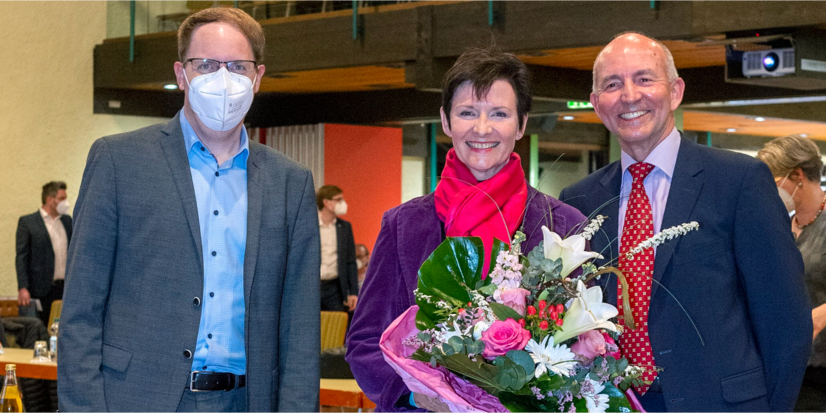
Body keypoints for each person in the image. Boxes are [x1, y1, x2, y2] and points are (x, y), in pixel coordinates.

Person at [58, 8, 320, 412]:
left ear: (258, 76)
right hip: (136, 397)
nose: (223, 79)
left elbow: (300, 328)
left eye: (237, 66)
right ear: (181, 74)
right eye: (207, 65)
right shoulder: (118, 161)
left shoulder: (291, 182)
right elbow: (81, 309)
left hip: (247, 401)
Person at [559, 32, 811, 412]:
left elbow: (786, 325)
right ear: (596, 104)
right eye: (613, 84)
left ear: (675, 91)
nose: (629, 95)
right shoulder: (580, 199)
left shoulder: (739, 181)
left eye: (644, 79)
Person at [346, 47, 586, 413]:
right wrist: (418, 393)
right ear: (446, 120)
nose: (482, 129)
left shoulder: (563, 225)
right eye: (467, 113)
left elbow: (584, 343)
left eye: (500, 114)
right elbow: (364, 342)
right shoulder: (403, 225)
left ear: (521, 124)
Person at [757, 135, 826, 412]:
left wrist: (819, 316)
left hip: (820, 367)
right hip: (784, 363)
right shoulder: (782, 223)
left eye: (772, 184)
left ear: (797, 175)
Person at [16, 181, 72, 327]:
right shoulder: (28, 222)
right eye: (62, 199)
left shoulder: (67, 221)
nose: (66, 203)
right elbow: (22, 257)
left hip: (64, 288)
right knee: (41, 331)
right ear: (49, 200)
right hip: (41, 290)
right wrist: (23, 287)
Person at [317, 185, 358, 313]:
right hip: (312, 287)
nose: (343, 203)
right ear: (326, 202)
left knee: (337, 328)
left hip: (335, 288)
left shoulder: (345, 227)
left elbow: (350, 261)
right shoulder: (308, 225)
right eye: (338, 199)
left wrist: (353, 292)